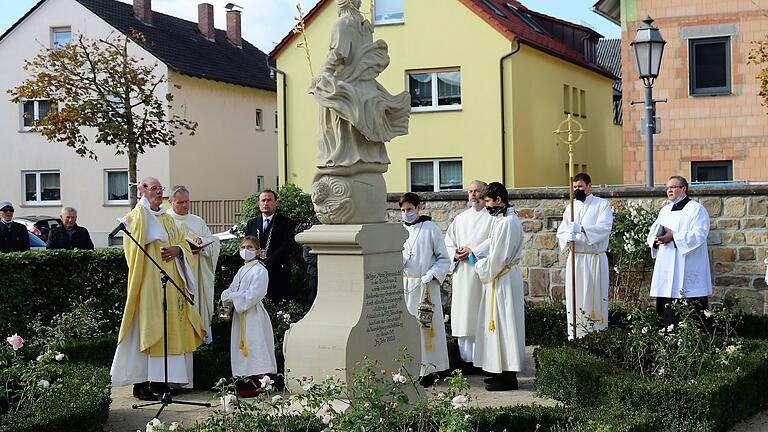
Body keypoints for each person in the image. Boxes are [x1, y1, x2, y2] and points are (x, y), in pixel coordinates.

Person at [110, 177, 206, 401]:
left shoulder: (167, 218)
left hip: (170, 282)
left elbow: (182, 242)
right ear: (142, 191)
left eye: (158, 189)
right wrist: (142, 202)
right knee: (146, 329)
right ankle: (141, 383)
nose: (156, 193)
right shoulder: (137, 216)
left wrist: (178, 250)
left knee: (168, 329)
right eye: (152, 189)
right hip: (147, 284)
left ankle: (161, 381)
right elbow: (140, 234)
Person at [467, 182, 525, 391]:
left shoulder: (509, 222)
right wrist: (474, 251)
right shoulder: (500, 219)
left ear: (499, 200)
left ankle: (509, 377)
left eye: (488, 201)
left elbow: (499, 258)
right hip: (499, 278)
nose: (486, 206)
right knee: (496, 325)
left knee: (505, 324)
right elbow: (492, 242)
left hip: (504, 277)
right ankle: (497, 370)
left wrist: (479, 264)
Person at [399, 192, 451, 387]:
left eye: (410, 210)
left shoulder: (430, 229)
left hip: (425, 286)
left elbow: (443, 258)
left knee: (426, 328)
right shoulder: (398, 231)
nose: (406, 214)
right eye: (403, 211)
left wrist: (432, 273)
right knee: (407, 327)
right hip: (405, 285)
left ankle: (427, 370)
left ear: (418, 208)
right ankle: (407, 368)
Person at [646, 176, 711, 326]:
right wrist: (657, 239)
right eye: (667, 188)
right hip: (667, 262)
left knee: (690, 303)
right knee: (667, 302)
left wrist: (673, 237)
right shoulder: (665, 210)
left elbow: (700, 234)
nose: (669, 190)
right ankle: (667, 332)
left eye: (673, 187)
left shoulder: (696, 209)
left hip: (688, 263)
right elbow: (653, 232)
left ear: (684, 189)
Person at [556, 173, 613, 340]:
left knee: (594, 296)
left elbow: (604, 227)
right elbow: (561, 230)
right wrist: (568, 236)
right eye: (574, 187)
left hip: (594, 258)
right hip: (576, 258)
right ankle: (575, 335)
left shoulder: (602, 205)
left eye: (580, 186)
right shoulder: (570, 207)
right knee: (575, 295)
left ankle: (597, 335)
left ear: (589, 186)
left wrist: (581, 229)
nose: (577, 190)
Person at [444, 180, 494, 369]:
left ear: (484, 193)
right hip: (463, 274)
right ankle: (465, 361)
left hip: (480, 273)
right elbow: (448, 242)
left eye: (477, 191)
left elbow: (493, 241)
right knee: (464, 316)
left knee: (479, 315)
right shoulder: (460, 218)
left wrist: (473, 251)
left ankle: (484, 360)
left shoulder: (492, 217)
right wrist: (455, 254)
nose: (473, 194)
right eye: (470, 191)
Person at [220, 236, 277, 397]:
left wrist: (233, 296)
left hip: (253, 315)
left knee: (255, 345)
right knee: (240, 348)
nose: (246, 250)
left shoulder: (260, 270)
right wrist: (228, 296)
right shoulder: (242, 270)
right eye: (243, 247)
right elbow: (232, 289)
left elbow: (254, 294)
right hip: (240, 315)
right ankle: (243, 383)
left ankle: (259, 382)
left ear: (258, 251)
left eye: (250, 247)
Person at [167, 185, 221, 344]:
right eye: (180, 202)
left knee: (197, 303)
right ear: (170, 202)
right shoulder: (166, 220)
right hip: (176, 272)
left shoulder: (198, 221)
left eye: (187, 201)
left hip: (197, 272)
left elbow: (213, 243)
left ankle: (200, 337)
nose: (185, 205)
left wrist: (202, 242)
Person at [244, 190, 296, 302]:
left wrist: (267, 262)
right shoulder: (252, 223)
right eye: (263, 200)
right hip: (255, 270)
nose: (265, 203)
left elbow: (287, 246)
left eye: (269, 200)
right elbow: (247, 245)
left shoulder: (286, 222)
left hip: (277, 271)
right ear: (259, 203)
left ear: (276, 202)